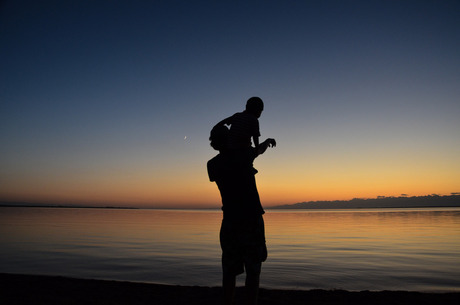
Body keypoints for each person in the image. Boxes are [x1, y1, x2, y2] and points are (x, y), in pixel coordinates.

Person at [207, 124, 276, 305]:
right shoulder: (243, 155)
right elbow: (258, 149)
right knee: (253, 272)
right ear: (229, 138)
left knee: (229, 272)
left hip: (230, 221)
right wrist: (267, 142)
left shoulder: (212, 165)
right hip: (251, 220)